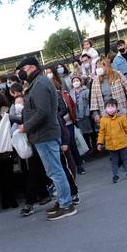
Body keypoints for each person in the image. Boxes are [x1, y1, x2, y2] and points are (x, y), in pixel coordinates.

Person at [15, 55, 75, 220]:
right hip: (44, 134)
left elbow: (42, 112)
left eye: (23, 70)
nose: (21, 73)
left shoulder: (40, 84)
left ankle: (66, 204)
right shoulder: (37, 83)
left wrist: (26, 126)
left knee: (55, 171)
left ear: (32, 68)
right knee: (54, 170)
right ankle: (64, 200)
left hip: (45, 134)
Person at [97, 98, 127, 182]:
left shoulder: (121, 117)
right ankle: (115, 175)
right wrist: (99, 143)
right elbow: (101, 132)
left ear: (117, 107)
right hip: (111, 145)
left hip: (122, 143)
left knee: (125, 159)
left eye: (112, 106)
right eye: (108, 106)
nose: (110, 108)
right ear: (105, 108)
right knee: (114, 161)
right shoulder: (103, 120)